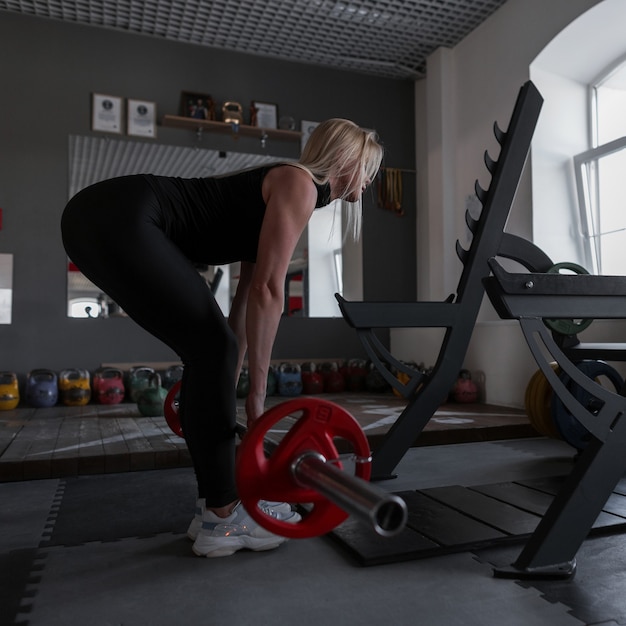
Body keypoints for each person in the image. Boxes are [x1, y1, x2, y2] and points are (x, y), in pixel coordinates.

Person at [61, 118, 384, 558]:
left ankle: (213, 506)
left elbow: (247, 301)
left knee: (210, 352)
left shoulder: (282, 187)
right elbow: (271, 292)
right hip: (119, 216)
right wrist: (255, 397)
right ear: (348, 160)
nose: (368, 181)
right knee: (212, 350)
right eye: (369, 168)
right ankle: (224, 516)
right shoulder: (300, 184)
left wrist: (226, 380)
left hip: (95, 219)